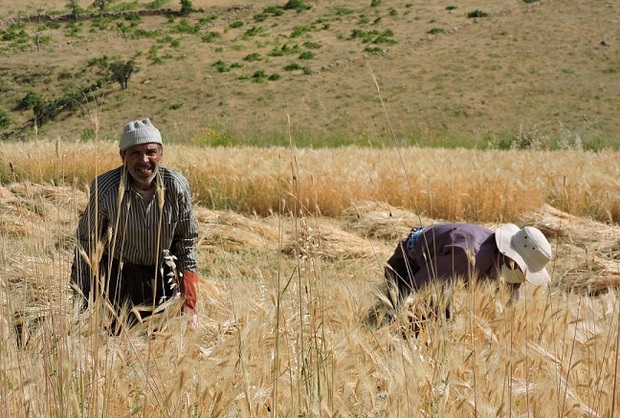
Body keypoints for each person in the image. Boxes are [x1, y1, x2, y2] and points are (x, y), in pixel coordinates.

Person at [71, 118, 200, 328]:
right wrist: (81, 300)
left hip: (164, 280)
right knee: (117, 344)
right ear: (123, 157)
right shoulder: (105, 189)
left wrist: (189, 304)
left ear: (161, 153)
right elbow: (87, 242)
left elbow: (186, 244)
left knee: (163, 348)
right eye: (135, 153)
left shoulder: (176, 186)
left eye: (150, 152)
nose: (144, 160)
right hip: (119, 281)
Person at [384, 222, 552, 309]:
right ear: (509, 256)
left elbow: (508, 308)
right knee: (414, 319)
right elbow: (419, 288)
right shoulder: (467, 256)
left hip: (445, 268)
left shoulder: (512, 269)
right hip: (410, 261)